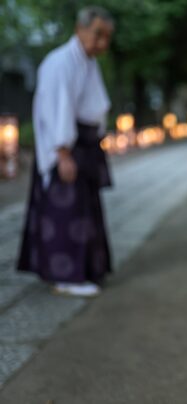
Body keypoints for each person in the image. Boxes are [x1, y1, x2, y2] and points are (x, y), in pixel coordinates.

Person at [17, 6, 115, 297]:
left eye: (107, 37)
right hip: (66, 148)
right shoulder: (60, 62)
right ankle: (64, 276)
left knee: (85, 210)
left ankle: (85, 269)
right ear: (79, 29)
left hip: (83, 145)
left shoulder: (87, 62)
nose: (102, 43)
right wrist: (62, 153)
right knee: (65, 213)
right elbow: (55, 109)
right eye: (98, 34)